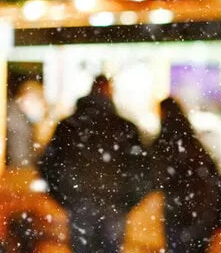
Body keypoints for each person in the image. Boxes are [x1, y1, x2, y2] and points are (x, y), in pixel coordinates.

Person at [37, 76, 150, 253]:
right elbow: (143, 170)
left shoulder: (69, 126)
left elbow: (48, 164)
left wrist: (65, 197)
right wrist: (127, 201)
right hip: (112, 204)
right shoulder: (124, 128)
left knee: (83, 248)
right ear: (110, 93)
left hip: (81, 204)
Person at [149, 98, 221, 253]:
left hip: (179, 211)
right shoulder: (193, 141)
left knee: (179, 247)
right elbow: (213, 173)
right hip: (202, 208)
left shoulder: (163, 144)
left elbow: (159, 178)